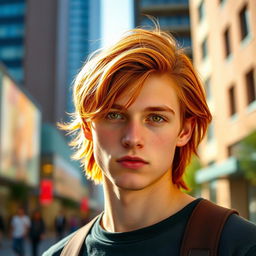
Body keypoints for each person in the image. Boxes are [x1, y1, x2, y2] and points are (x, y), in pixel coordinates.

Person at [43, 27, 256, 255]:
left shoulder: (242, 246)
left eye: (156, 118)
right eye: (114, 115)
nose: (133, 138)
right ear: (87, 127)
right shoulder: (59, 253)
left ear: (184, 131)